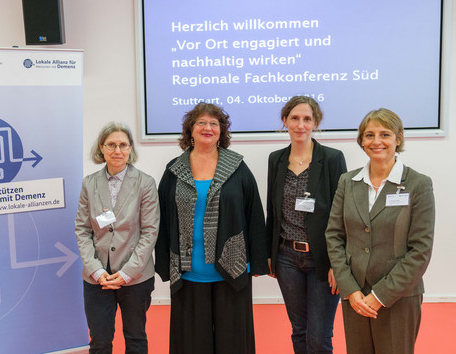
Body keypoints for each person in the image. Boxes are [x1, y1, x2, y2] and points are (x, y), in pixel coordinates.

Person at [155, 102, 268, 354]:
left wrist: (259, 261)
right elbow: (162, 219)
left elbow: (254, 215)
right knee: (191, 345)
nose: (208, 128)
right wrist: (162, 264)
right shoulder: (174, 168)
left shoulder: (237, 166)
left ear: (221, 131)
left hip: (232, 270)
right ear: (190, 130)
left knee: (233, 344)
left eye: (214, 123)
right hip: (187, 273)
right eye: (201, 123)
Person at [326, 108, 435, 354]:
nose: (376, 142)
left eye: (385, 134)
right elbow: (334, 235)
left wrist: (380, 295)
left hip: (398, 298)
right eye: (369, 135)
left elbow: (420, 250)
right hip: (354, 296)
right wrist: (350, 289)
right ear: (361, 141)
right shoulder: (347, 181)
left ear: (398, 138)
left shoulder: (418, 184)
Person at [266, 96, 347, 353]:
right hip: (287, 257)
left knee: (319, 336)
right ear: (285, 121)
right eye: (295, 118)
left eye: (307, 119)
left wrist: (339, 261)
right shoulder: (276, 159)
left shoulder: (332, 159)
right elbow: (273, 209)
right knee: (299, 330)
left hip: (322, 258)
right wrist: (270, 254)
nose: (300, 125)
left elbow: (342, 212)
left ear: (315, 123)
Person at [75, 122, 159, 354]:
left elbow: (150, 232)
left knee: (135, 339)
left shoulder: (145, 183)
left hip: (135, 277)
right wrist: (95, 270)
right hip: (97, 278)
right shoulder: (89, 183)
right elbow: (82, 229)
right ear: (101, 148)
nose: (117, 151)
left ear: (131, 148)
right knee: (99, 342)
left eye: (123, 145)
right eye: (111, 145)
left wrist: (126, 273)